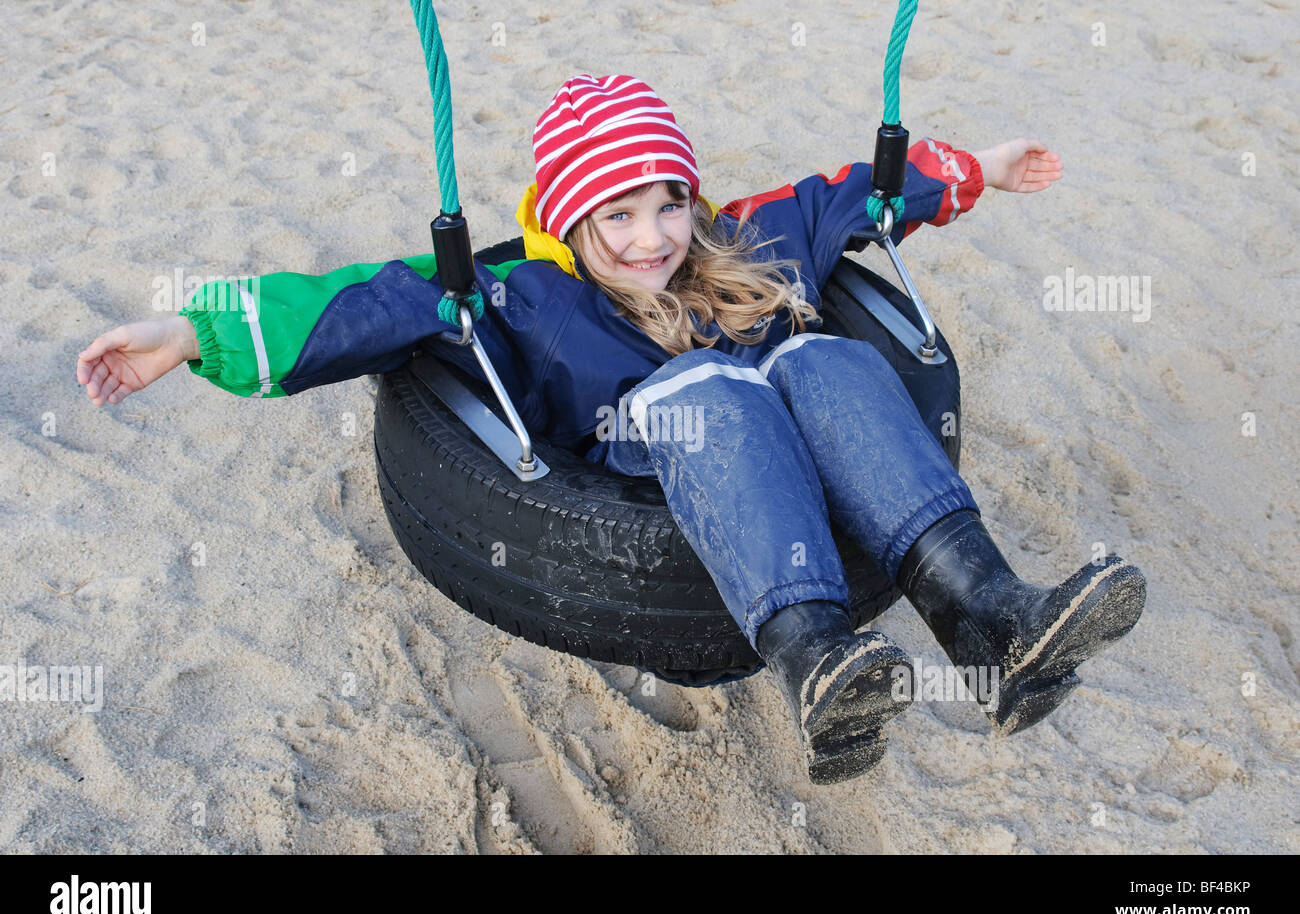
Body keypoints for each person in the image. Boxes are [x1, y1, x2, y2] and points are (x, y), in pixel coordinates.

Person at [77, 74, 1146, 785]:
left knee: (821, 355)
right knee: (714, 393)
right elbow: (372, 303)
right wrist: (188, 332)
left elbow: (854, 196)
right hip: (647, 461)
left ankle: (992, 618)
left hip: (783, 434)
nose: (651, 239)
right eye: (617, 216)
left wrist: (978, 171)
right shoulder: (527, 296)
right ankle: (813, 659)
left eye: (667, 204)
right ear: (572, 219)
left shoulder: (740, 240)